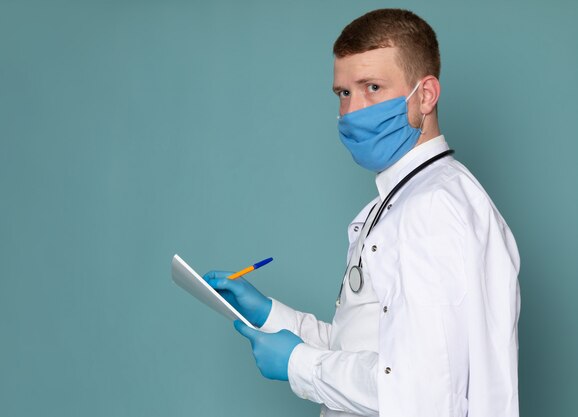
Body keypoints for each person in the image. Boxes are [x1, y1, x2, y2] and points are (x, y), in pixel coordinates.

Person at [204, 8, 520, 417]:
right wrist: (269, 314)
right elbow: (365, 349)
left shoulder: (432, 210)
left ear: (425, 95)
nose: (352, 112)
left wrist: (298, 363)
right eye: (343, 93)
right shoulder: (396, 202)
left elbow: (420, 393)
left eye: (372, 87)